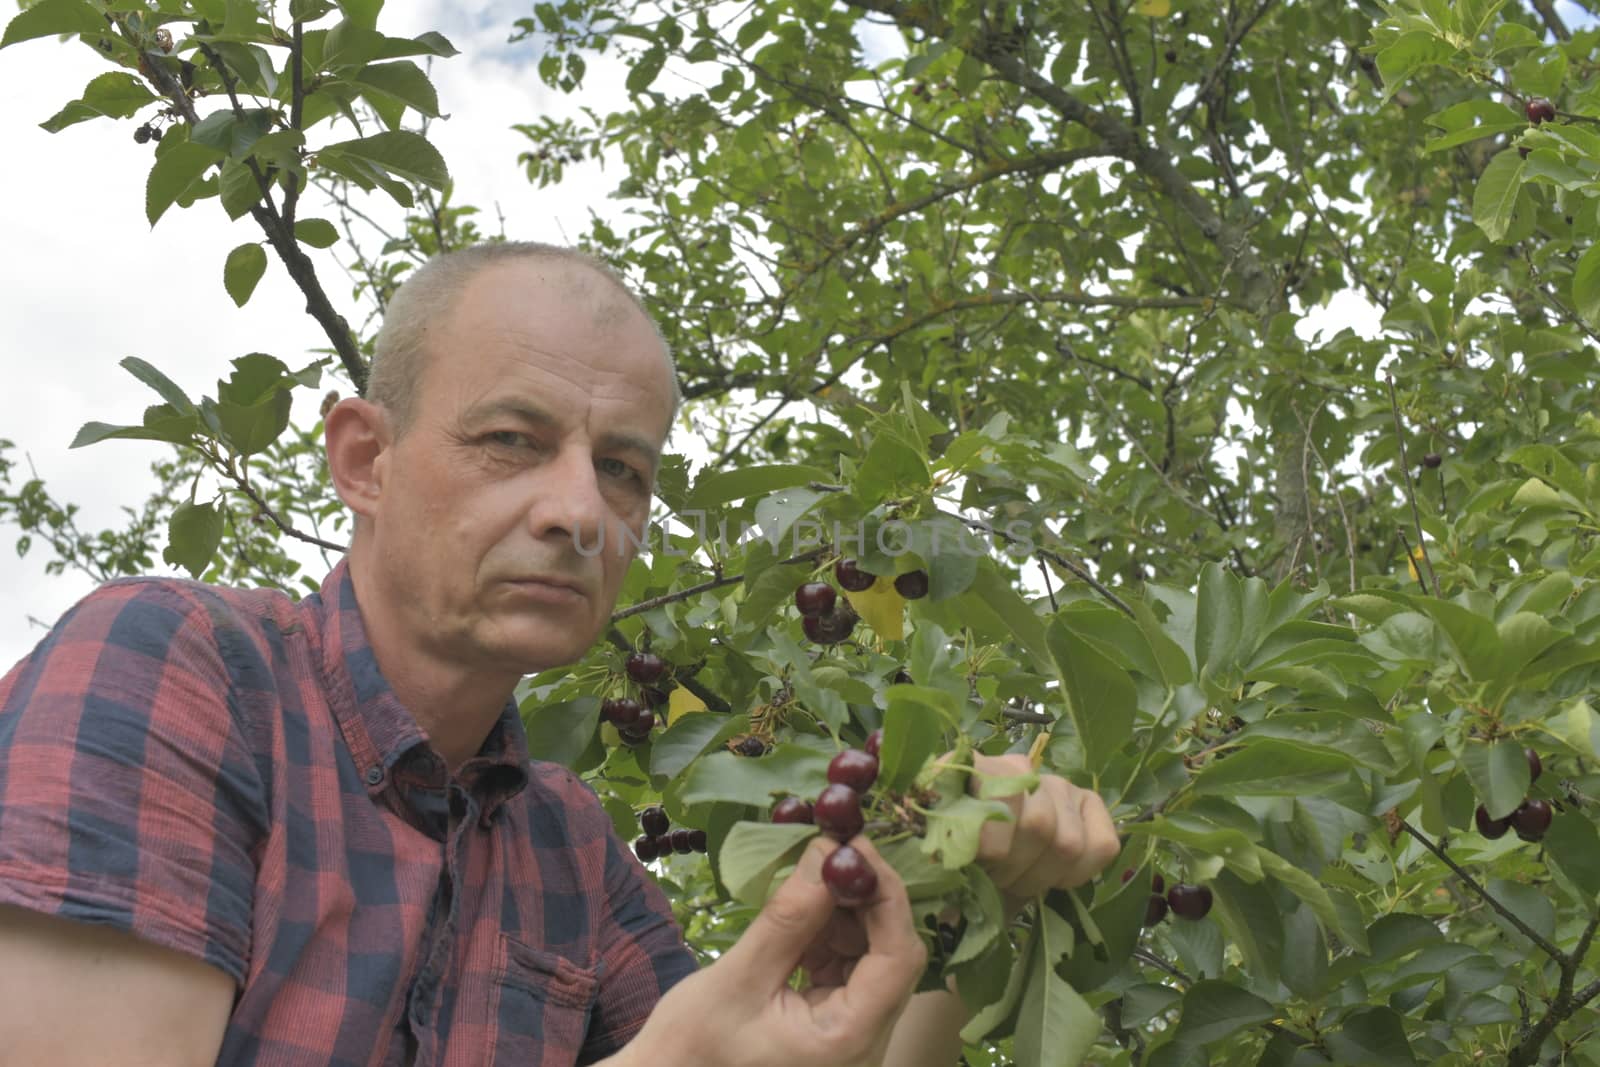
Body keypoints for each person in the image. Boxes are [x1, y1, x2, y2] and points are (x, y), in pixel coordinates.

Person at [0, 242, 1119, 1066]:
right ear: (365, 460)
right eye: (510, 440)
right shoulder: (176, 666)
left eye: (623, 469)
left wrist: (957, 897)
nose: (581, 509)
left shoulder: (567, 845)